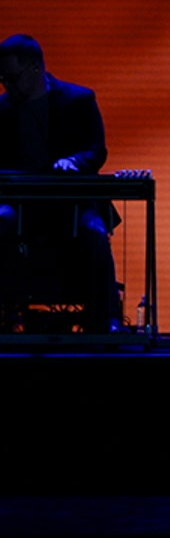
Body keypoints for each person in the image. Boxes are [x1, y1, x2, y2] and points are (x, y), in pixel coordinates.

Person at [0, 35, 119, 331]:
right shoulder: (3, 109)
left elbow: (96, 150)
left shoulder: (78, 100)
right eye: (2, 79)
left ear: (35, 69)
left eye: (12, 78)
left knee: (93, 231)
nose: (7, 86)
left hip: (72, 203)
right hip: (21, 204)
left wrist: (73, 162)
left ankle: (107, 317)